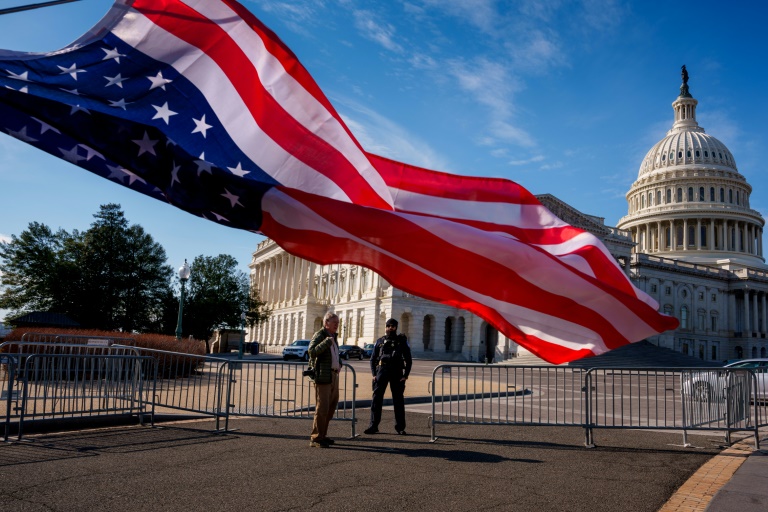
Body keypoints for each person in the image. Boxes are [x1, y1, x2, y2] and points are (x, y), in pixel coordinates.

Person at [364, 318, 412, 435]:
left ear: (396, 327)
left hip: (397, 371)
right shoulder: (380, 341)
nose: (390, 328)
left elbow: (408, 359)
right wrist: (374, 374)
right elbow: (373, 358)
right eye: (388, 326)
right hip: (382, 371)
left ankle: (400, 427)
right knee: (376, 399)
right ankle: (373, 425)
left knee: (398, 400)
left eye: (393, 326)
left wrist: (406, 375)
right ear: (386, 327)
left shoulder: (401, 341)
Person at [308, 311, 341, 448]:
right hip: (323, 376)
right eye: (335, 323)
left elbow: (334, 354)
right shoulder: (320, 335)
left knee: (331, 407)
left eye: (338, 323)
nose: (337, 325)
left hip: (333, 375)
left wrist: (339, 363)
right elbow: (312, 351)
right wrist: (326, 343)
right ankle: (316, 438)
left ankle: (323, 435)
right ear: (326, 323)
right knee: (322, 408)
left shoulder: (333, 336)